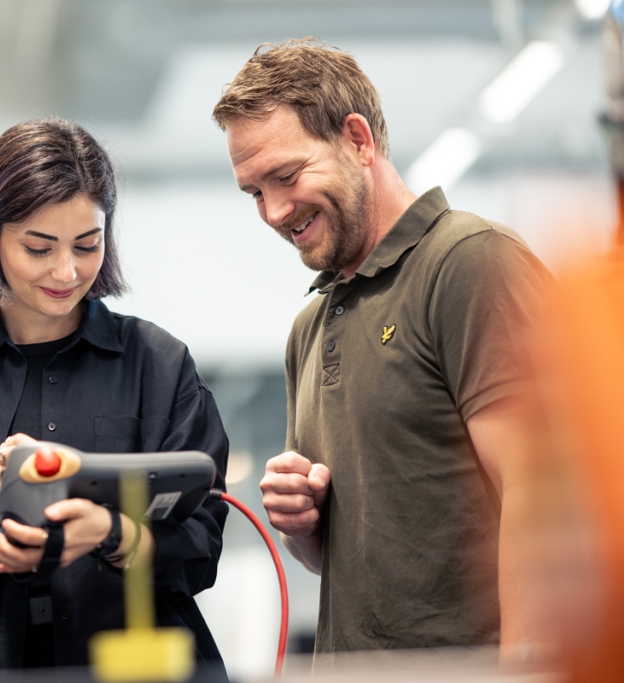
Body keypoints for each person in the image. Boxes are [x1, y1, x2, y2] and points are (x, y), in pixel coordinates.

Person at [212, 40, 549, 655]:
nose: (273, 212)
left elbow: (547, 495)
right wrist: (303, 525)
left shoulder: (470, 263)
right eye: (254, 192)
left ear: (358, 140)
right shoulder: (310, 327)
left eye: (286, 176)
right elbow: (349, 559)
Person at [0, 118, 229, 676]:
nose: (67, 271)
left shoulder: (157, 363)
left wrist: (112, 534)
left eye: (88, 245)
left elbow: (201, 548)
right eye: (39, 248)